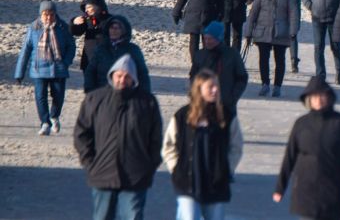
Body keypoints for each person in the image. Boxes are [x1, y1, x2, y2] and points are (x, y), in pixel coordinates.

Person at [74, 54, 163, 220]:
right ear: (112, 75)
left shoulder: (147, 102)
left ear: (133, 79)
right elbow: (82, 133)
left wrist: (149, 166)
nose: (122, 80)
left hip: (136, 175)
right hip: (102, 172)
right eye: (119, 75)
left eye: (127, 76)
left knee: (132, 216)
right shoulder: (95, 99)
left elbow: (156, 138)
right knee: (102, 217)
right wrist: (89, 161)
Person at [273, 77, 340, 219]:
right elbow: (290, 157)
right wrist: (280, 188)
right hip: (306, 188)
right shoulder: (301, 124)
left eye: (321, 95)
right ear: (309, 100)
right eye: (314, 96)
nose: (318, 100)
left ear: (329, 97)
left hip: (335, 188)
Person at [163, 70, 243, 220]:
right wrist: (176, 167)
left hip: (216, 183)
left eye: (216, 86)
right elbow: (169, 145)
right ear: (199, 89)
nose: (215, 90)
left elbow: (236, 145)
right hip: (187, 182)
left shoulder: (226, 116)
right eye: (210, 87)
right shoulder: (182, 115)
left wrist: (227, 168)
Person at [15, 0, 75, 136]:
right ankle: (45, 123)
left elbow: (71, 46)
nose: (48, 17)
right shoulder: (34, 28)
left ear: (55, 14)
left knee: (58, 96)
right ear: (41, 14)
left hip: (58, 69)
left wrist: (65, 62)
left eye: (51, 14)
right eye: (45, 14)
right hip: (38, 69)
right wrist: (19, 73)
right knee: (40, 96)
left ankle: (54, 116)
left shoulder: (63, 27)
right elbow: (26, 50)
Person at [245, 0, 299, 98]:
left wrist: (293, 30)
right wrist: (248, 31)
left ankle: (277, 86)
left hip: (281, 31)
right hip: (263, 31)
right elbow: (253, 12)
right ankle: (265, 84)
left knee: (279, 60)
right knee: (263, 59)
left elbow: (293, 13)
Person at [190, 21, 249, 115]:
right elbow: (193, 77)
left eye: (210, 39)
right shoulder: (200, 55)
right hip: (203, 104)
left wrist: (233, 97)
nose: (207, 41)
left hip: (226, 105)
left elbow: (242, 77)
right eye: (205, 38)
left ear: (219, 39)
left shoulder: (232, 55)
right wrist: (195, 95)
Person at [84, 15, 152, 94]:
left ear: (124, 30)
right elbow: (91, 71)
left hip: (127, 93)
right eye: (112, 27)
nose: (114, 30)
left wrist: (145, 94)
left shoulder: (133, 49)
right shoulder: (101, 49)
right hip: (102, 93)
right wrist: (89, 89)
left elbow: (142, 73)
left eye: (118, 28)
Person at [70, 0, 111, 72]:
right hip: (89, 60)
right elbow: (76, 32)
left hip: (106, 60)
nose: (86, 10)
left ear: (97, 6)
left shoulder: (110, 19)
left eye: (89, 7)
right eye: (85, 8)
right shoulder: (86, 19)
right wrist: (74, 23)